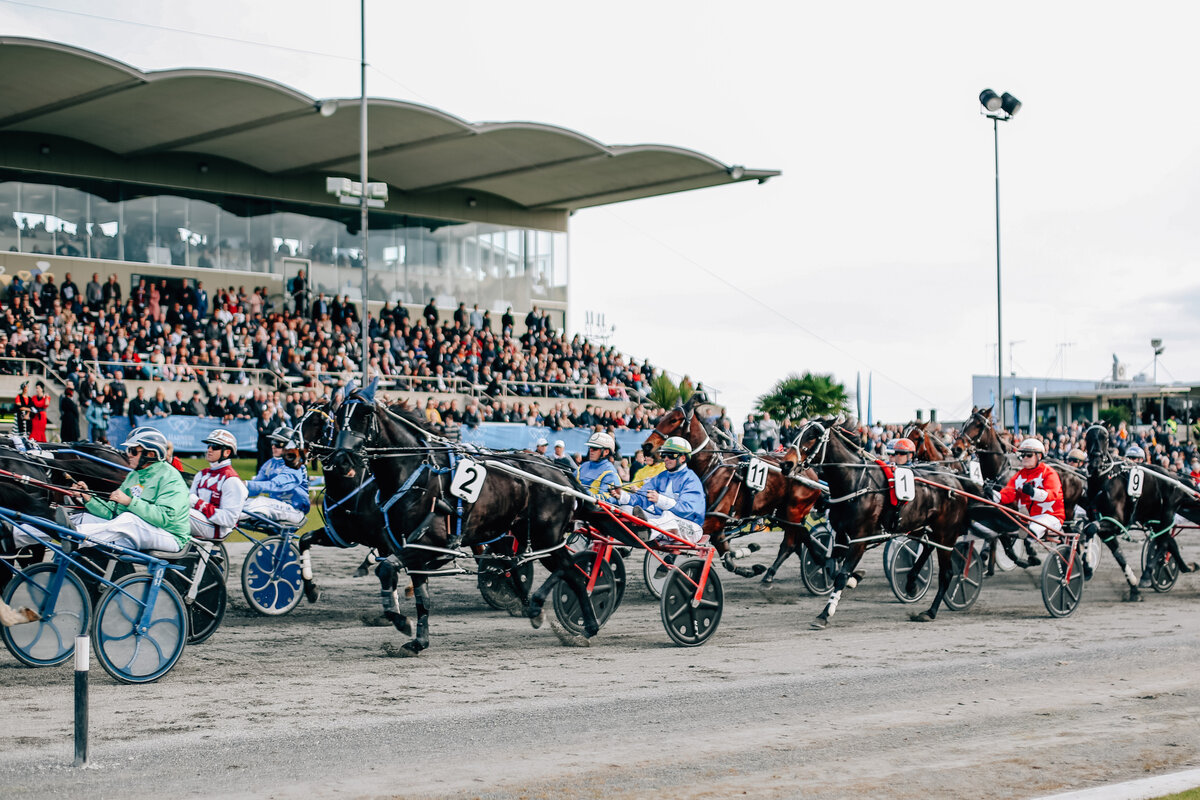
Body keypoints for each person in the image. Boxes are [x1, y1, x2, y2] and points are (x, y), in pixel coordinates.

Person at [14, 428, 190, 552]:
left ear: (150, 454)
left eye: (133, 450)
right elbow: (112, 513)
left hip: (170, 536)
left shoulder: (170, 477)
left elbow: (167, 518)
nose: (127, 453)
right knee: (82, 516)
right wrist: (87, 498)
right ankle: (16, 534)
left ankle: (74, 537)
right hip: (139, 530)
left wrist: (130, 501)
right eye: (128, 449)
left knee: (128, 519)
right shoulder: (134, 476)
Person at [609, 436, 706, 544]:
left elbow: (688, 510)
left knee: (669, 517)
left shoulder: (691, 480)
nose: (666, 459)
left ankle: (646, 530)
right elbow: (642, 496)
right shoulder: (661, 477)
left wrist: (660, 499)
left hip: (691, 528)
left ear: (683, 458)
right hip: (662, 523)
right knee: (626, 509)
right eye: (664, 455)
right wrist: (622, 495)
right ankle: (640, 531)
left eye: (671, 455)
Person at [998, 438, 1064, 547]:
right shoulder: (1019, 475)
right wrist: (994, 495)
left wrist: (1033, 492)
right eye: (1022, 455)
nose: (1024, 458)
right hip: (1031, 518)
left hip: (1052, 517)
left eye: (1028, 455)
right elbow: (1008, 494)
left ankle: (1030, 546)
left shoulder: (1049, 473)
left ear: (1039, 456)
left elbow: (1052, 494)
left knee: (1032, 530)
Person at [241, 427, 310, 528]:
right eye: (272, 442)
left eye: (278, 444)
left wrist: (246, 483)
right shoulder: (269, 464)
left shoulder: (294, 464)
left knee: (260, 501)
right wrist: (237, 490)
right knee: (243, 502)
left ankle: (229, 517)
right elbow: (254, 489)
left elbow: (276, 485)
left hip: (294, 510)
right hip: (275, 507)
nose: (273, 446)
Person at [188, 428, 249, 541]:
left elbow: (229, 520)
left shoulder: (232, 481)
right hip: (200, 521)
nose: (209, 449)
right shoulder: (201, 474)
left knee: (181, 513)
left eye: (215, 446)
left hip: (216, 529)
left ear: (227, 452)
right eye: (208, 446)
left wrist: (198, 504)